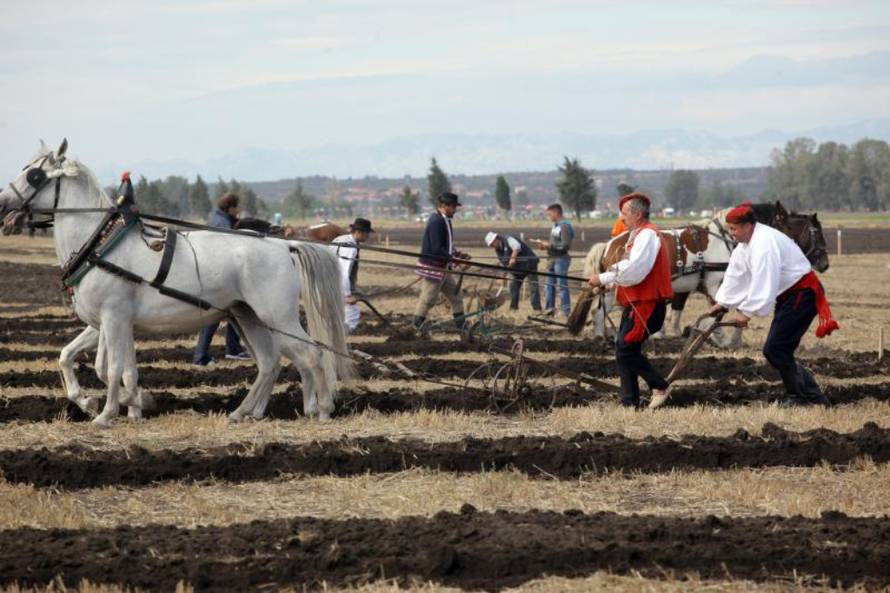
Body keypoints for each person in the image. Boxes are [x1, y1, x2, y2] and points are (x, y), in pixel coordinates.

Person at [709, 202, 838, 406]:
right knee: (778, 349)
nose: (731, 233)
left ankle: (800, 397)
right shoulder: (745, 245)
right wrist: (723, 302)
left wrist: (746, 312)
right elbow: (736, 273)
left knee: (776, 349)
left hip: (802, 295)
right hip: (790, 296)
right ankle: (813, 397)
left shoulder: (764, 244)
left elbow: (764, 280)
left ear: (747, 226)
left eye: (733, 229)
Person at [588, 192, 673, 409]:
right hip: (637, 304)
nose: (621, 218)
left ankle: (660, 385)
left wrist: (604, 277)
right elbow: (630, 270)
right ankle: (629, 403)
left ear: (637, 213)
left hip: (648, 305)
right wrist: (611, 282)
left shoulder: (647, 235)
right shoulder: (637, 235)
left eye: (624, 213)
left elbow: (636, 269)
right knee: (623, 350)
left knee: (626, 349)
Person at [192, 193, 250, 365]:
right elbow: (229, 251)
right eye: (237, 207)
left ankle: (234, 349)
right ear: (231, 208)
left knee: (235, 310)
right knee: (212, 318)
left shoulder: (217, 219)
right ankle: (200, 357)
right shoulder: (223, 224)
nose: (239, 210)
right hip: (217, 277)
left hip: (213, 274)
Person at [413, 192, 471, 333]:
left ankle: (462, 329)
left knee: (456, 297)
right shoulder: (436, 222)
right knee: (428, 299)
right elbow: (437, 249)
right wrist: (456, 260)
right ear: (444, 206)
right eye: (453, 207)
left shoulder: (445, 220)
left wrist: (458, 254)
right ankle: (415, 328)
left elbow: (446, 246)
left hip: (443, 268)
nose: (455, 210)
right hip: (434, 268)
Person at [532, 204, 574, 318]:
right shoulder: (555, 226)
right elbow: (555, 243)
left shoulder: (564, 226)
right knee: (548, 285)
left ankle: (566, 312)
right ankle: (549, 310)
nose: (549, 217)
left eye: (550, 214)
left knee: (562, 286)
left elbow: (565, 245)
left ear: (556, 213)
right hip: (552, 259)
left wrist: (549, 245)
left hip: (561, 259)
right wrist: (544, 246)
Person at [331, 217, 373, 332]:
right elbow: (344, 271)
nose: (368, 237)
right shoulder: (351, 248)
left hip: (329, 280)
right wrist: (347, 295)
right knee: (352, 312)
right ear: (359, 232)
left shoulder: (341, 238)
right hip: (336, 281)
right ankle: (346, 335)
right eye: (367, 234)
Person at [484, 231, 542, 311]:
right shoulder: (498, 251)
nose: (492, 246)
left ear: (496, 239)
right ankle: (513, 308)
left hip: (529, 264)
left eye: (492, 243)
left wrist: (513, 258)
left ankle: (537, 309)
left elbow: (516, 247)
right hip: (517, 269)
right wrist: (503, 278)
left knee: (533, 287)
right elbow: (504, 264)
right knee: (513, 287)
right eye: (490, 245)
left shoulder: (508, 238)